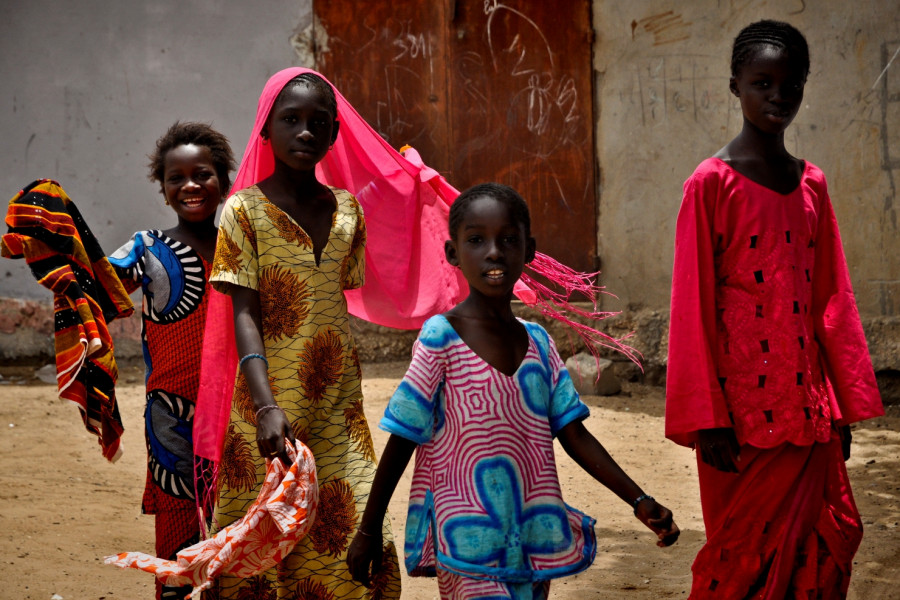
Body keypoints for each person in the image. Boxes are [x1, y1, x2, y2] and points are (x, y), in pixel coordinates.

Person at [347, 182, 680, 599]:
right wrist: (369, 528)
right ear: (453, 253)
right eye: (476, 240)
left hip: (530, 539)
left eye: (508, 240)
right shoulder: (440, 339)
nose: (493, 252)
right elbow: (403, 439)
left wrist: (638, 499)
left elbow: (574, 434)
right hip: (466, 538)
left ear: (529, 250)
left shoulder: (539, 343)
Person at [665, 20, 884, 599]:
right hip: (736, 421)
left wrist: (840, 406)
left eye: (792, 86)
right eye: (763, 82)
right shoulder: (709, 184)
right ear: (735, 84)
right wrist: (705, 416)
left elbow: (831, 299)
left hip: (809, 413)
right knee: (742, 559)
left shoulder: (813, 184)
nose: (778, 97)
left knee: (823, 545)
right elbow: (692, 307)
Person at [208, 70, 401, 599]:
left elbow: (338, 294)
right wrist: (266, 405)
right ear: (265, 130)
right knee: (265, 536)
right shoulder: (243, 212)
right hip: (267, 407)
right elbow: (244, 312)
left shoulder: (347, 211)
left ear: (335, 134)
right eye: (290, 120)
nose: (305, 132)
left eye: (319, 122)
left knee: (359, 526)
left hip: (338, 400)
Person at [107, 121, 236, 600]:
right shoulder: (146, 249)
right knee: (180, 545)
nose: (190, 186)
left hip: (237, 413)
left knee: (240, 528)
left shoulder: (242, 248)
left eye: (202, 174)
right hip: (172, 419)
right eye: (175, 178)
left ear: (223, 181)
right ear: (163, 191)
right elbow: (99, 291)